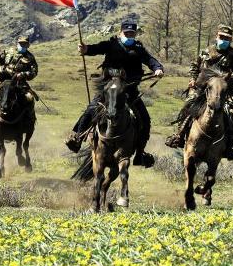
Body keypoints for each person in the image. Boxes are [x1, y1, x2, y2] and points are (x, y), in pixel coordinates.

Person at [65, 19, 164, 167]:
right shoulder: (112, 44)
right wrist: (85, 49)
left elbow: (149, 59)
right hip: (109, 88)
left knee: (145, 120)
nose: (129, 36)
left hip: (130, 91)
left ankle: (140, 153)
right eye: (127, 33)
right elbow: (95, 48)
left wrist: (157, 68)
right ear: (120, 32)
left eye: (132, 33)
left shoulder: (138, 48)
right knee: (91, 109)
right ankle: (78, 139)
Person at [165, 24, 233, 156]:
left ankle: (230, 144)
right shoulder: (206, 52)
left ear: (231, 39)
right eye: (221, 37)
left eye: (227, 38)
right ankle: (179, 136)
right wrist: (193, 78)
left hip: (223, 91)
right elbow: (194, 65)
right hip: (202, 88)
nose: (223, 40)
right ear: (216, 36)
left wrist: (228, 79)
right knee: (189, 104)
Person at [0, 36, 38, 131]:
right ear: (17, 43)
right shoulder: (9, 51)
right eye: (21, 43)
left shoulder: (30, 57)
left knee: (30, 98)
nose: (22, 45)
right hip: (4, 80)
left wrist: (23, 74)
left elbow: (34, 72)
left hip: (19, 83)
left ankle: (29, 121)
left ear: (28, 45)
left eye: (25, 44)